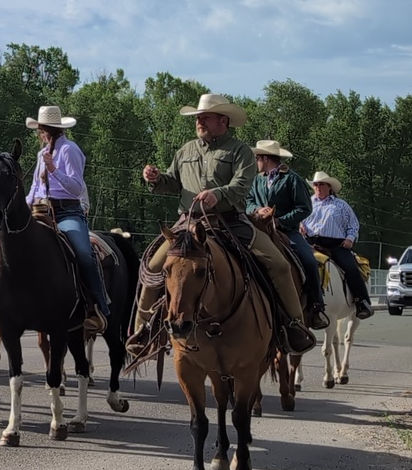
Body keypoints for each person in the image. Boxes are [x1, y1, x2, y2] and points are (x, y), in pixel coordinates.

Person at [128, 94, 315, 356]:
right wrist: (156, 178)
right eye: (197, 118)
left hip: (230, 222)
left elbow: (242, 185)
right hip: (188, 223)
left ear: (223, 120)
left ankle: (294, 326)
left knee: (280, 265)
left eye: (205, 117)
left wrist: (219, 194)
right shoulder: (186, 150)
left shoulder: (241, 152)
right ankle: (143, 331)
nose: (199, 121)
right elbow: (174, 183)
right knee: (152, 268)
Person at [25, 106, 109, 327]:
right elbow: (35, 187)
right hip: (38, 210)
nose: (39, 133)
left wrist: (53, 170)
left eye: (41, 129)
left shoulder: (70, 150)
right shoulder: (41, 154)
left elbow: (76, 188)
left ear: (47, 129)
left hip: (66, 211)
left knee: (82, 252)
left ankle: (96, 305)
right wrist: (22, 204)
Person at [247, 140, 329, 328]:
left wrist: (279, 220)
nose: (256, 162)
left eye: (257, 158)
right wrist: (258, 209)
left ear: (265, 158)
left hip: (287, 231)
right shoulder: (257, 179)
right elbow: (248, 200)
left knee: (309, 260)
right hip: (258, 230)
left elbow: (304, 208)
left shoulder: (293, 179)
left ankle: (316, 306)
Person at [300, 171, 373, 319]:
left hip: (335, 245)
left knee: (351, 267)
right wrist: (300, 226)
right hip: (310, 243)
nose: (318, 187)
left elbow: (353, 225)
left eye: (321, 184)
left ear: (329, 187)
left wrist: (350, 239)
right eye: (316, 185)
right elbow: (299, 219)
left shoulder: (340, 205)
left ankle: (362, 302)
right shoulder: (308, 203)